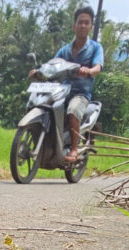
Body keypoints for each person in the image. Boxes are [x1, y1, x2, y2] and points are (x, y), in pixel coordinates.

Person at [31, 6, 103, 163]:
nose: (83, 25)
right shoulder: (65, 50)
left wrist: (90, 71)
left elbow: (98, 67)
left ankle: (74, 149)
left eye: (86, 23)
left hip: (80, 94)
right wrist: (37, 71)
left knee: (72, 110)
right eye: (80, 22)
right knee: (43, 105)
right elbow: (52, 64)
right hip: (61, 90)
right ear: (74, 26)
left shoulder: (96, 48)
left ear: (91, 26)